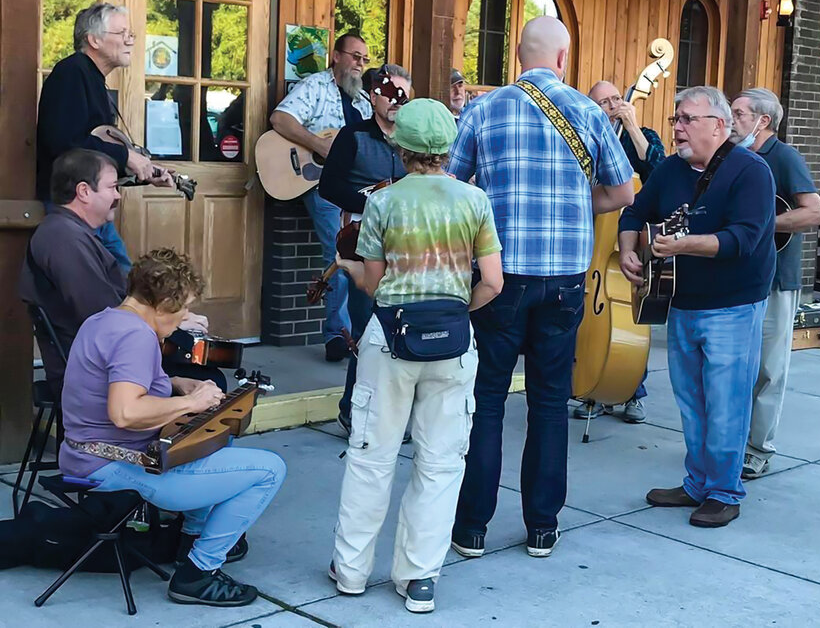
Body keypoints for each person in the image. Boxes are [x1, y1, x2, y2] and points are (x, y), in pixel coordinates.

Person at [450, 16, 634, 560]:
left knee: (485, 401)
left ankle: (472, 529)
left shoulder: (484, 109)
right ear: (562, 58)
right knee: (550, 403)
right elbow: (622, 190)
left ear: (518, 59)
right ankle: (542, 527)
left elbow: (454, 188)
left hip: (498, 279)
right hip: (565, 283)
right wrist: (579, 207)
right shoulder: (584, 110)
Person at [330, 99, 503, 614]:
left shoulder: (383, 203)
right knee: (441, 462)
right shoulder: (474, 200)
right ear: (448, 147)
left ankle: (352, 571)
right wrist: (457, 313)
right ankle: (420, 578)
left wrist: (346, 268)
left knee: (371, 455)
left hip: (391, 339)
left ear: (398, 146)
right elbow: (492, 282)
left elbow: (374, 284)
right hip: (453, 342)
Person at [59, 248, 286, 606]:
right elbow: (125, 412)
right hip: (113, 466)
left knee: (214, 441)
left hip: (82, 454)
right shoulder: (136, 336)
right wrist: (190, 403)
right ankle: (198, 573)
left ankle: (190, 539)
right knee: (270, 470)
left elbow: (122, 382)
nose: (185, 316)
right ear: (163, 302)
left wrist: (177, 382)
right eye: (183, 307)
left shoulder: (104, 320)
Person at [619, 85, 776, 528]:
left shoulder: (752, 171)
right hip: (679, 301)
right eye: (675, 119)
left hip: (733, 305)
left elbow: (743, 239)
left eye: (687, 119)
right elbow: (634, 213)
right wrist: (628, 248)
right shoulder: (669, 169)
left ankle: (725, 492)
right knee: (691, 400)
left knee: (725, 401)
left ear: (719, 126)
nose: (677, 128)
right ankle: (698, 483)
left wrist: (682, 244)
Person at [19, 149, 221, 397]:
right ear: (84, 192)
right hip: (94, 370)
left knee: (205, 368)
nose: (118, 196)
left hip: (108, 356)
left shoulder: (69, 232)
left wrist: (174, 314)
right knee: (209, 379)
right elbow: (102, 315)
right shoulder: (62, 238)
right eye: (112, 187)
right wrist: (171, 319)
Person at [730, 88, 820, 479]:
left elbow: (814, 212)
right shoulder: (734, 157)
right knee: (736, 366)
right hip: (738, 276)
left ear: (762, 120)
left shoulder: (783, 157)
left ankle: (758, 449)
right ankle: (730, 443)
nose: (730, 120)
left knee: (769, 367)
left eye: (737, 113)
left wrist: (762, 224)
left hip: (776, 277)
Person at [36, 3, 173, 272]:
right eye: (121, 33)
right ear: (94, 39)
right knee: (103, 291)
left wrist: (142, 171)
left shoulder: (90, 77)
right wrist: (126, 156)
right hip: (74, 210)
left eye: (130, 33)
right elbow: (65, 142)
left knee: (118, 283)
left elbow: (92, 155)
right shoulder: (72, 72)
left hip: (91, 208)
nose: (130, 40)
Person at [318, 64, 410, 435]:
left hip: (404, 244)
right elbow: (328, 187)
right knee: (366, 328)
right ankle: (352, 410)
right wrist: (372, 196)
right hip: (361, 242)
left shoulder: (411, 139)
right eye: (390, 93)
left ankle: (388, 414)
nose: (396, 101)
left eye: (403, 93)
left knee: (397, 328)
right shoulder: (352, 135)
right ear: (374, 95)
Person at [270, 33, 373, 361]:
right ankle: (337, 335)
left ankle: (359, 332)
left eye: (364, 59)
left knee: (359, 254)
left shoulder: (364, 101)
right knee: (340, 252)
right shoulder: (316, 86)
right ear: (336, 56)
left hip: (356, 192)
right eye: (355, 56)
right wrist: (319, 145)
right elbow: (280, 118)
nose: (359, 64)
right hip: (322, 185)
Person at [580, 79, 668, 424]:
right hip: (591, 243)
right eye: (604, 102)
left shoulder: (641, 135)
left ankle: (632, 389)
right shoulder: (585, 139)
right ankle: (591, 385)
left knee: (632, 313)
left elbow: (658, 171)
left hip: (629, 240)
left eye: (617, 99)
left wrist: (631, 127)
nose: (614, 106)